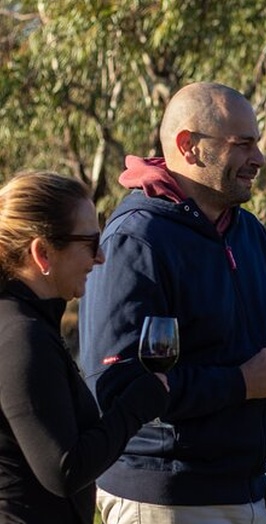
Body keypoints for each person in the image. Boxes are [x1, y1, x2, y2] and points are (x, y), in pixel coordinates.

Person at [78, 82, 266, 523]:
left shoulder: (249, 233)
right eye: (243, 144)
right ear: (188, 146)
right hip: (167, 498)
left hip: (255, 490)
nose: (259, 158)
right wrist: (240, 383)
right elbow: (115, 385)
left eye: (258, 142)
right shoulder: (136, 239)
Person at [0, 171, 170, 523]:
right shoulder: (21, 337)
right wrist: (136, 406)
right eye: (91, 244)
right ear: (43, 253)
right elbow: (64, 469)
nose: (102, 258)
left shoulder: (22, 323)